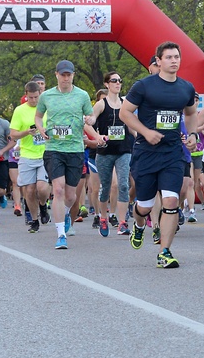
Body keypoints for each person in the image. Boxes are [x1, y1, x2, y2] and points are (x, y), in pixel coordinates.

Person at [119, 43, 199, 267]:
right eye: (169, 57)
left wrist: (192, 133)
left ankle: (165, 251)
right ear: (158, 61)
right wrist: (145, 132)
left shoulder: (186, 88)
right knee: (144, 205)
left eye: (177, 57)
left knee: (171, 200)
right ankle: (139, 223)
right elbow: (125, 113)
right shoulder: (144, 86)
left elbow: (191, 113)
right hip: (146, 152)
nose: (174, 61)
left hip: (172, 152)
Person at [35, 60, 100, 250]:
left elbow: (91, 117)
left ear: (73, 75)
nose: (65, 77)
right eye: (62, 74)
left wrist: (90, 119)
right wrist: (41, 129)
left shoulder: (82, 95)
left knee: (71, 196)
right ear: (56, 75)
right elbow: (38, 117)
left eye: (68, 74)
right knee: (58, 189)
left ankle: (63, 213)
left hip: (75, 149)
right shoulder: (47, 96)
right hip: (54, 148)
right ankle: (61, 234)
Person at [91, 71, 134, 237]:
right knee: (106, 187)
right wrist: (96, 134)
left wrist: (141, 136)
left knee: (123, 185)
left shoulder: (125, 104)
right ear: (107, 84)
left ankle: (122, 222)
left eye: (120, 81)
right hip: (105, 152)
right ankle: (103, 216)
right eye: (114, 81)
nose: (118, 83)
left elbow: (131, 125)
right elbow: (91, 121)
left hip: (123, 150)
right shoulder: (101, 104)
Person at [8, 82, 51, 233]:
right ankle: (34, 219)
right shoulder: (20, 111)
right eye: (30, 97)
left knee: (42, 188)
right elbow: (13, 134)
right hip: (27, 154)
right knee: (30, 190)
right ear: (26, 95)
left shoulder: (47, 107)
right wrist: (27, 132)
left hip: (45, 153)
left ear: (40, 94)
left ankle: (43, 205)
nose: (33, 100)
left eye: (36, 97)